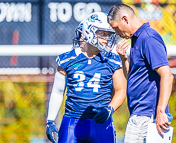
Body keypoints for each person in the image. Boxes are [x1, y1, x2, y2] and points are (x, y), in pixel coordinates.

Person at [46, 12, 127, 143]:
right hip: (72, 121)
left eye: (109, 34)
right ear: (89, 32)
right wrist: (50, 120)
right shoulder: (68, 59)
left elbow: (121, 91)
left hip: (101, 122)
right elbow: (57, 92)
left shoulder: (112, 60)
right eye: (103, 33)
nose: (107, 38)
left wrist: (109, 109)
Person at [107, 4, 174, 143]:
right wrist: (124, 58)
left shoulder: (148, 38)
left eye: (116, 28)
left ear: (125, 19)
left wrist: (160, 111)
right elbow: (131, 77)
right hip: (142, 114)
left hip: (148, 115)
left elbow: (167, 75)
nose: (117, 33)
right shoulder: (137, 39)